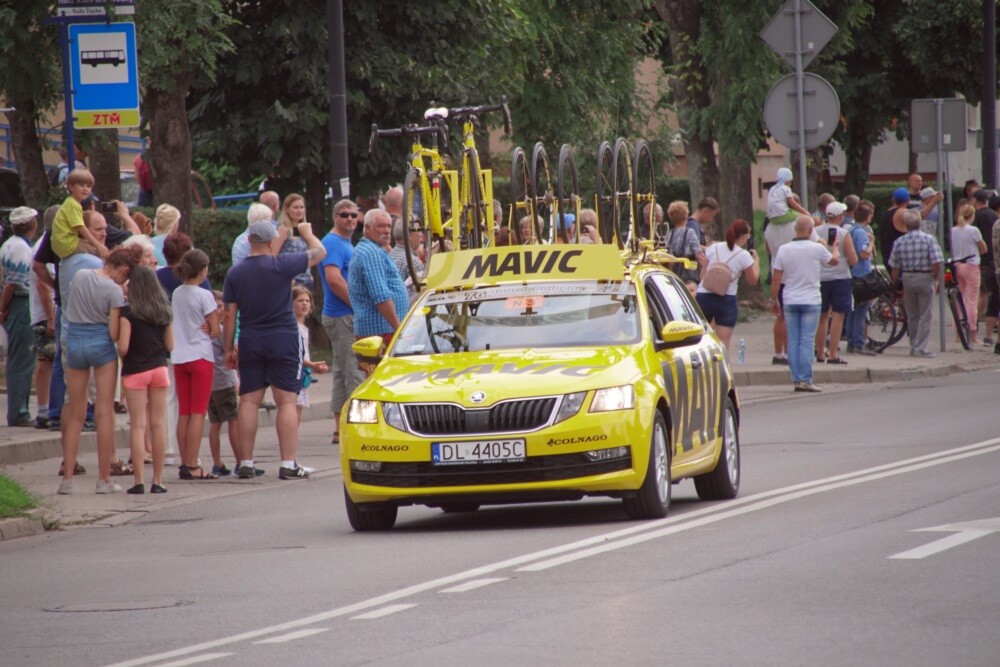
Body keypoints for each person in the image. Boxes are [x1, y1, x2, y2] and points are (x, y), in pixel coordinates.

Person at [222, 220, 326, 480]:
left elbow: (229, 315)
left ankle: (246, 462)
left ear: (249, 241)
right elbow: (320, 252)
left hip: (250, 339)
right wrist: (308, 233)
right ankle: (288, 463)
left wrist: (228, 349)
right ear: (271, 243)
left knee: (249, 401)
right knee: (287, 401)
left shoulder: (235, 273)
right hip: (282, 339)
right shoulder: (282, 264)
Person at [57, 245, 142, 495]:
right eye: (127, 276)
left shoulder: (80, 275)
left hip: (75, 341)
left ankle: (67, 480)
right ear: (123, 270)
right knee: (104, 413)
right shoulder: (114, 290)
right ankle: (103, 480)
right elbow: (113, 332)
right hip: (101, 345)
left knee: (76, 412)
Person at [117, 265, 172, 494]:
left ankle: (138, 481)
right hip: (159, 368)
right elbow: (170, 345)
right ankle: (158, 481)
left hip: (136, 371)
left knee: (138, 426)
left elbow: (123, 347)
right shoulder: (164, 311)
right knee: (158, 424)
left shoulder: (128, 313)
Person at [769, 215, 839, 393]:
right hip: (811, 300)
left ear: (795, 230)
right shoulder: (817, 248)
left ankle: (796, 378)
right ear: (810, 231)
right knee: (807, 341)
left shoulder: (784, 250)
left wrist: (774, 299)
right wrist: (834, 248)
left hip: (790, 299)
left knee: (793, 340)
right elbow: (834, 261)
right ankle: (806, 379)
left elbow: (776, 278)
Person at [171, 249, 220, 480]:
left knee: (184, 412)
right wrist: (211, 327)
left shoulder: (177, 293)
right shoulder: (205, 295)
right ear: (203, 271)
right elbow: (215, 330)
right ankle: (193, 464)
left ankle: (184, 461)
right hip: (200, 355)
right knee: (198, 412)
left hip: (180, 356)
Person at [320, 199, 365, 446]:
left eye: (353, 215)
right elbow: (334, 279)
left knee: (340, 372)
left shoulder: (345, 242)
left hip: (342, 315)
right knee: (354, 372)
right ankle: (358, 431)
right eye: (345, 215)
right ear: (335, 216)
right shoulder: (333, 242)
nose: (350, 219)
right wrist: (357, 305)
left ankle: (339, 429)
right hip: (342, 315)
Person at [0, 207, 40, 426]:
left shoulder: (9, 244)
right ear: (32, 224)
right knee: (22, 360)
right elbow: (11, 284)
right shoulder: (22, 249)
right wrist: (2, 309)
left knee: (20, 359)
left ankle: (20, 409)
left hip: (16, 304)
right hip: (20, 304)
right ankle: (19, 412)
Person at [695, 219, 759, 351]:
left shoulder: (714, 247)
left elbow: (703, 273)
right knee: (723, 341)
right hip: (726, 299)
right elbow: (753, 280)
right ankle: (722, 363)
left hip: (704, 295)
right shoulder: (744, 255)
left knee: (700, 337)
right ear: (743, 236)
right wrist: (756, 261)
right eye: (748, 235)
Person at [348, 209, 410, 346]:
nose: (387, 231)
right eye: (381, 226)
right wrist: (399, 329)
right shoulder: (371, 253)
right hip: (381, 333)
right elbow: (381, 296)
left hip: (382, 330)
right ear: (367, 228)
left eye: (389, 226)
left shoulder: (372, 249)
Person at [889, 209, 944, 358]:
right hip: (925, 276)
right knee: (925, 315)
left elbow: (895, 267)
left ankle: (913, 345)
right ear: (920, 223)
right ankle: (920, 348)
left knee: (912, 314)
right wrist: (935, 277)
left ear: (906, 225)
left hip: (907, 277)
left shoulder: (899, 241)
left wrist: (895, 283)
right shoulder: (929, 239)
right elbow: (937, 261)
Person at [814, 201, 858, 364]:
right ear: (840, 216)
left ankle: (820, 352)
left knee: (822, 316)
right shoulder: (843, 233)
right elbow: (853, 259)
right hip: (840, 278)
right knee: (838, 315)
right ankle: (833, 353)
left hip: (820, 278)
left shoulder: (815, 231)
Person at [29, 206, 58, 429]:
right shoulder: (45, 246)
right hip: (46, 314)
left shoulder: (43, 244)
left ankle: (45, 410)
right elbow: (43, 285)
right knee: (47, 360)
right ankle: (44, 411)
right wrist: (51, 318)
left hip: (44, 313)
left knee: (47, 360)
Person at [207, 290, 240, 477]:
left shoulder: (204, 330)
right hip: (224, 380)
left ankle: (217, 463)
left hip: (210, 382)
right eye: (218, 307)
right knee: (233, 420)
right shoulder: (220, 331)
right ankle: (240, 461)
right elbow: (232, 353)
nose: (221, 310)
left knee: (215, 423)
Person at [949, 203, 987, 346]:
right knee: (971, 301)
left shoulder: (953, 230)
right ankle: (973, 333)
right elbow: (983, 248)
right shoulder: (973, 230)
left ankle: (958, 334)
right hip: (971, 265)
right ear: (972, 215)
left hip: (957, 266)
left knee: (960, 300)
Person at [51, 169, 109, 260]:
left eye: (89, 186)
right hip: (68, 243)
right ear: (71, 187)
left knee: (89, 243)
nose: (86, 189)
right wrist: (98, 245)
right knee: (99, 251)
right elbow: (81, 228)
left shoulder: (70, 203)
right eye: (81, 185)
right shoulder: (73, 205)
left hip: (65, 242)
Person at [845, 200, 878, 355]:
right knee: (861, 311)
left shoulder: (851, 230)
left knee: (853, 311)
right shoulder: (861, 232)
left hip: (853, 273)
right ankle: (859, 343)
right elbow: (864, 253)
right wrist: (871, 242)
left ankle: (851, 342)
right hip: (862, 275)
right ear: (867, 216)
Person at [292, 285, 329, 423]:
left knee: (298, 413)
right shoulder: (292, 328)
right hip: (294, 375)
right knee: (293, 412)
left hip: (303, 374)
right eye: (300, 300)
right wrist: (312, 365)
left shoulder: (304, 328)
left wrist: (313, 367)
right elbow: (296, 355)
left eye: (307, 301)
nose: (304, 304)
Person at [972, 190, 999, 346]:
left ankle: (975, 322)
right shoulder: (994, 216)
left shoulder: (977, 217)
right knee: (993, 296)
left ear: (976, 201)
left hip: (983, 260)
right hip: (994, 260)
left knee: (982, 293)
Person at [277, 193, 314, 287]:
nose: (299, 210)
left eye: (302, 207)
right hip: (291, 281)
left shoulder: (302, 228)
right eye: (295, 207)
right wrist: (284, 278)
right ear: (287, 209)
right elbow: (273, 256)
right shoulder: (283, 229)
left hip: (305, 280)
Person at [665, 200, 706, 283]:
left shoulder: (669, 235)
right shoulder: (689, 232)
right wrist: (707, 269)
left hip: (675, 278)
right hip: (690, 278)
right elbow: (699, 256)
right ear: (686, 215)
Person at [879, 188, 913, 275]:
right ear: (908, 200)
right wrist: (932, 203)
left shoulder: (886, 214)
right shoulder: (902, 212)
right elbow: (918, 218)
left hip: (886, 254)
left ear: (893, 200)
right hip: (898, 258)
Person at [134, 141, 154, 207]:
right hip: (163, 193)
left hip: (145, 195)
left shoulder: (139, 159)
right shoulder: (167, 158)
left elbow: (138, 179)